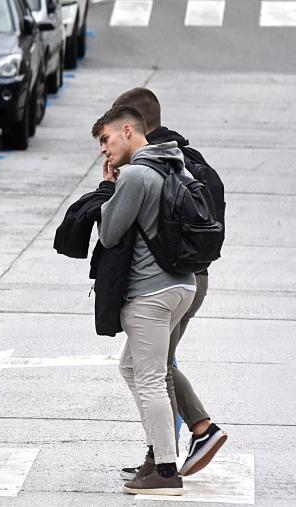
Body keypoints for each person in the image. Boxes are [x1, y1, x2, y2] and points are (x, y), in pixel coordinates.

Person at [112, 87, 227, 478]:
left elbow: (120, 231)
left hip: (169, 279)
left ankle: (194, 436)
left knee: (153, 368)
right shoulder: (185, 159)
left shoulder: (151, 166)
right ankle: (163, 453)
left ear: (131, 127)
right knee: (149, 365)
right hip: (194, 276)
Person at [93, 106, 196, 496]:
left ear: (127, 130)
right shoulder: (173, 164)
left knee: (150, 377)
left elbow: (109, 233)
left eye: (106, 139)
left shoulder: (136, 174)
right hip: (182, 284)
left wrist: (109, 190)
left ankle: (166, 471)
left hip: (150, 291)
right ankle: (157, 453)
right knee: (132, 367)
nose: (104, 149)